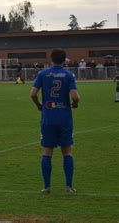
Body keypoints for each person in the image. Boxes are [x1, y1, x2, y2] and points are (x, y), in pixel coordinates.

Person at [30, 48, 80, 194]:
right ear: (64, 60)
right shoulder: (68, 74)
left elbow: (32, 94)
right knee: (67, 151)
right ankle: (69, 186)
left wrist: (40, 106)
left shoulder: (43, 73)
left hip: (48, 116)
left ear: (51, 58)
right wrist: (75, 104)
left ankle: (47, 187)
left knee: (47, 151)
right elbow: (75, 97)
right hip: (64, 117)